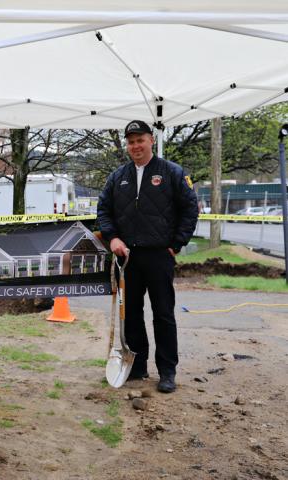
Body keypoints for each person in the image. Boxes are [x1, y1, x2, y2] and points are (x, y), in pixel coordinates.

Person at [97, 120, 198, 393]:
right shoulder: (118, 177)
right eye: (130, 142)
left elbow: (190, 209)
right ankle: (137, 367)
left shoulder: (172, 173)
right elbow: (103, 210)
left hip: (159, 256)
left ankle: (167, 371)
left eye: (140, 140)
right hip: (127, 257)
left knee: (163, 314)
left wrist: (177, 244)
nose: (135, 146)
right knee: (130, 314)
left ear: (151, 140)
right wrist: (113, 237)